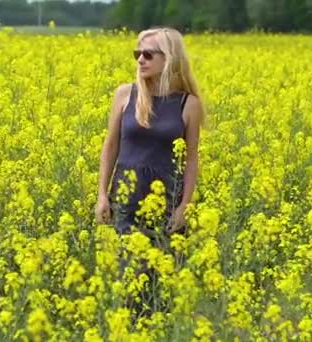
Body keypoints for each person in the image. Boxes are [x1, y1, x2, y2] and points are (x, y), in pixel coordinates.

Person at [95, 26, 206, 318]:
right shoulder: (124, 95)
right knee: (127, 279)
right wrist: (102, 196)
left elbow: (192, 159)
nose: (140, 60)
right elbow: (110, 147)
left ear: (169, 58)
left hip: (167, 203)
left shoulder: (188, 103)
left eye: (148, 54)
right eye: (137, 54)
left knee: (162, 284)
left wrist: (185, 205)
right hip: (126, 201)